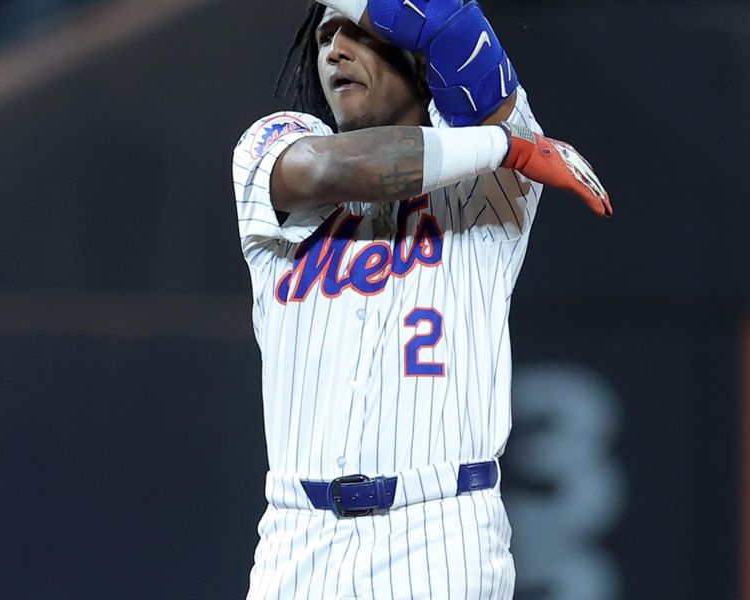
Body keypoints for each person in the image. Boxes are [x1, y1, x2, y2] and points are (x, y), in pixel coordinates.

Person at [232, 0, 611, 597]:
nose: (335, 50)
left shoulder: (485, 185)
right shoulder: (275, 145)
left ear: (416, 54)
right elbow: (325, 171)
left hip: (439, 531)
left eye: (358, 34)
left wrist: (506, 146)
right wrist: (508, 150)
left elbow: (455, 28)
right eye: (325, 36)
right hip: (295, 537)